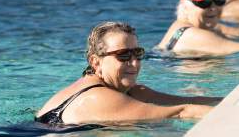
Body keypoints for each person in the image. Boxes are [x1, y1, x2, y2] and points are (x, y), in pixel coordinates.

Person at [35, 21, 219, 125]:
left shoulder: (130, 91)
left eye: (137, 53)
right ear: (95, 61)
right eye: (122, 55)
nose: (134, 63)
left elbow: (189, 102)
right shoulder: (98, 97)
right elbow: (180, 113)